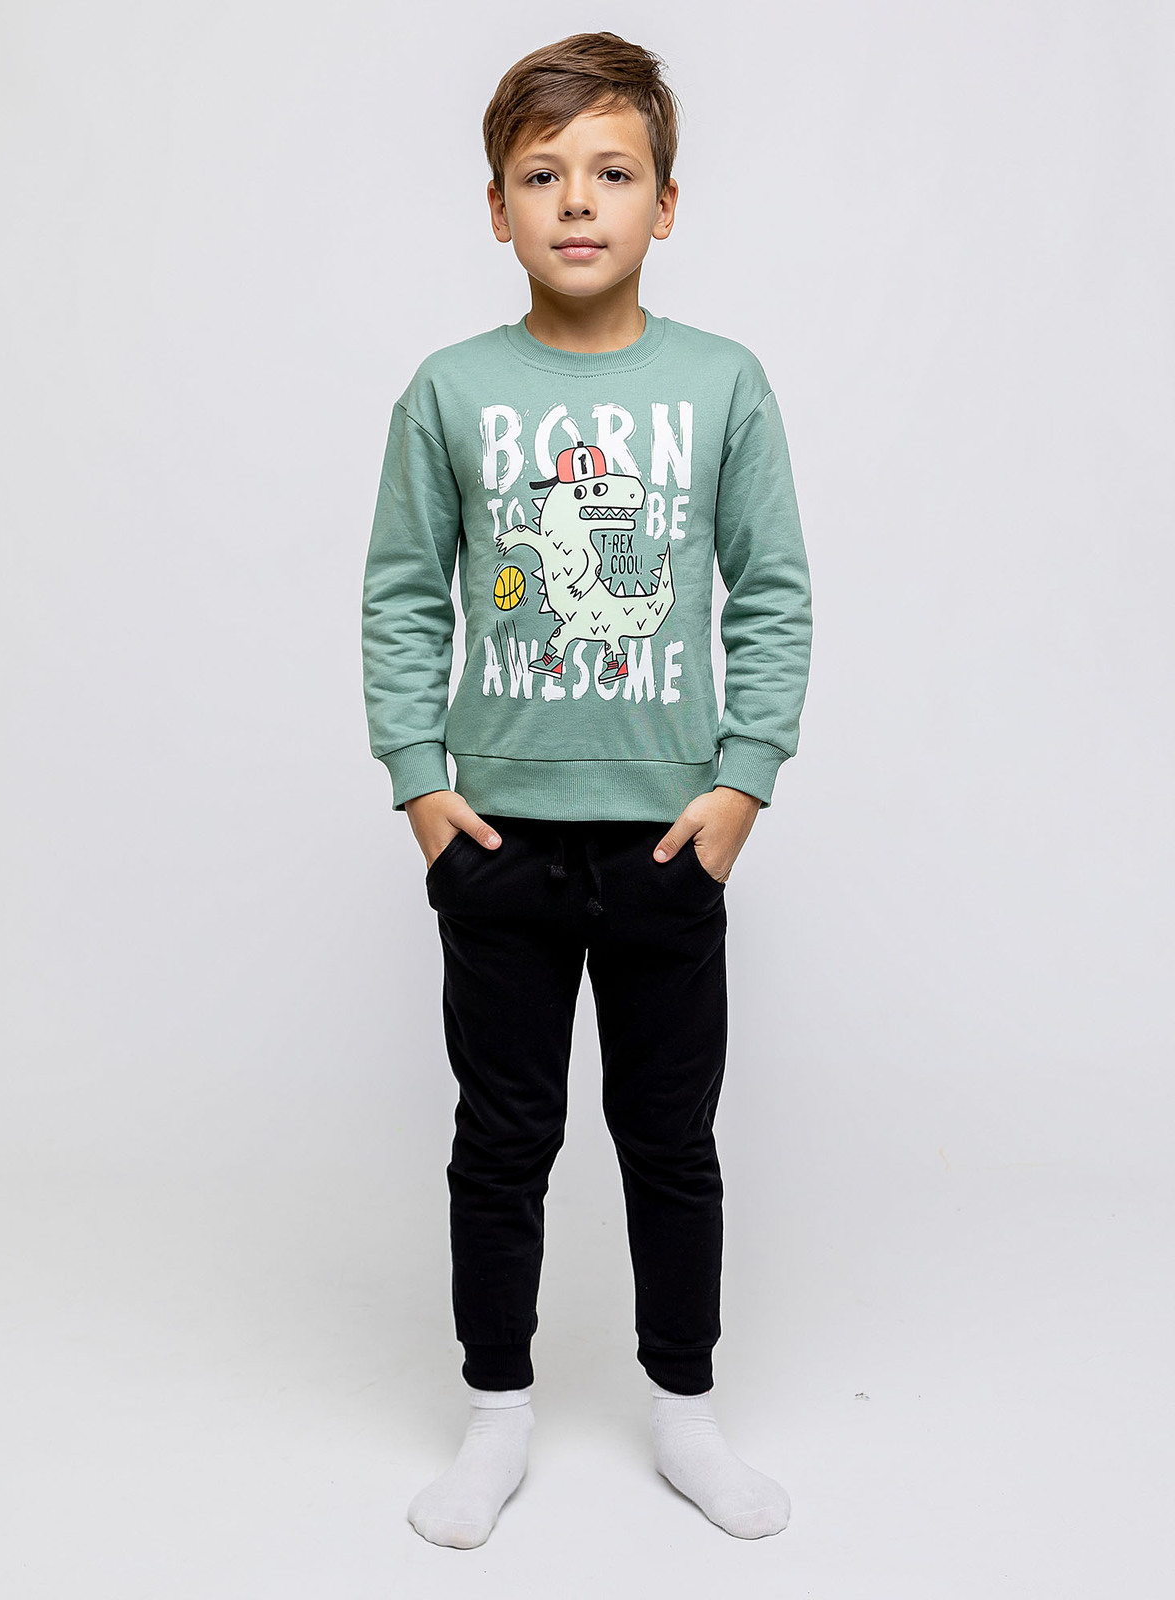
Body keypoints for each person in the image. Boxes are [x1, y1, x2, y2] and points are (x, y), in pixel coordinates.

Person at [360, 30, 812, 1548]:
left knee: (669, 1140)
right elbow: (403, 594)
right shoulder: (450, 391)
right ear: (496, 208)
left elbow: (773, 591)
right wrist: (420, 785)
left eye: (611, 172)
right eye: (541, 174)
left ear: (664, 204)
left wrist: (743, 784)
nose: (576, 200)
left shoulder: (721, 384)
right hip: (496, 841)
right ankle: (497, 1412)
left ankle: (685, 1408)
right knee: (503, 1141)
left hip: (670, 841)